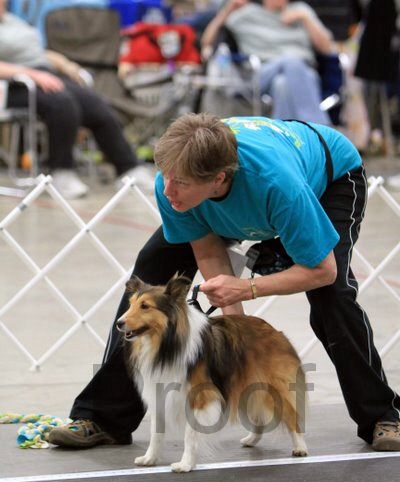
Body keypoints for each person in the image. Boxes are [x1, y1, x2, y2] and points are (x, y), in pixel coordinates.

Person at [48, 112, 400, 452]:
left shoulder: (279, 186)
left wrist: (248, 288)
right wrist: (238, 327)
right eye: (165, 176)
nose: (167, 189)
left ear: (217, 178)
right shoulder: (171, 182)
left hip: (328, 178)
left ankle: (383, 416)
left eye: (180, 182)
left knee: (332, 298)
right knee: (152, 273)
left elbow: (323, 270)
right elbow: (208, 252)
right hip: (235, 199)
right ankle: (103, 418)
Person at [0, 1, 153, 199]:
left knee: (96, 105)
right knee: (63, 104)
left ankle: (129, 168)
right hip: (13, 84)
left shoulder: (13, 21)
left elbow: (38, 52)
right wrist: (32, 74)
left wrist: (67, 65)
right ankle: (61, 172)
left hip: (43, 74)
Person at [201, 0, 334, 124]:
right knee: (291, 60)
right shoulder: (246, 14)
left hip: (303, 73)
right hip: (262, 73)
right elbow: (206, 42)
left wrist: (306, 18)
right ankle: (319, 129)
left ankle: (283, 139)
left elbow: (327, 48)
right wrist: (226, 12)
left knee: (282, 84)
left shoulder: (301, 10)